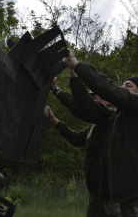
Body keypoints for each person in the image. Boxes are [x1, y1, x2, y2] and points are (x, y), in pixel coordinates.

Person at [65, 49, 138, 217]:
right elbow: (87, 105)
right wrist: (73, 74)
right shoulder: (115, 116)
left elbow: (107, 88)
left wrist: (78, 64)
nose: (122, 88)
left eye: (128, 85)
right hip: (117, 194)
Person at [48, 73, 110, 217]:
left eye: (95, 97)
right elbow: (76, 138)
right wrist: (54, 120)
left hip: (109, 191)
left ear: (106, 101)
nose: (92, 100)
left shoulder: (110, 119)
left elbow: (80, 107)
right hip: (96, 192)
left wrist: (57, 90)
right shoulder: (94, 128)